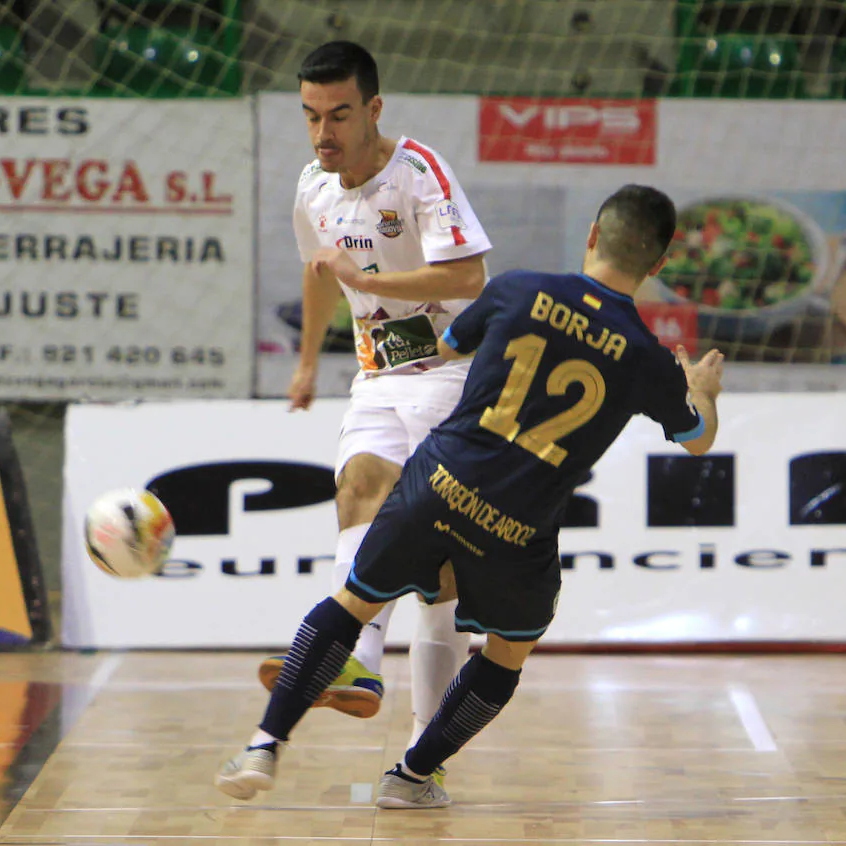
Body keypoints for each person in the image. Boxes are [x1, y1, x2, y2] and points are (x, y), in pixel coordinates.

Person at [216, 184, 724, 808]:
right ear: (659, 264)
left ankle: (264, 745)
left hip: (440, 482)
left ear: (592, 234)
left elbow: (446, 349)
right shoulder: (647, 359)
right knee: (508, 654)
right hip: (518, 529)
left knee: (353, 600)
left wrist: (369, 316)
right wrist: (700, 388)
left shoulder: (517, 288)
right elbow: (698, 439)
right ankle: (411, 776)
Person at [255, 39, 492, 769]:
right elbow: (321, 272)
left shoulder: (417, 171)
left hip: (454, 376)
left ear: (374, 110)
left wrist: (373, 284)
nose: (324, 133)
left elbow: (471, 275)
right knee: (359, 483)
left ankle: (424, 761)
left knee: (441, 576)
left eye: (340, 115)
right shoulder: (313, 186)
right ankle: (355, 658)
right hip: (378, 376)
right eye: (311, 116)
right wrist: (304, 367)